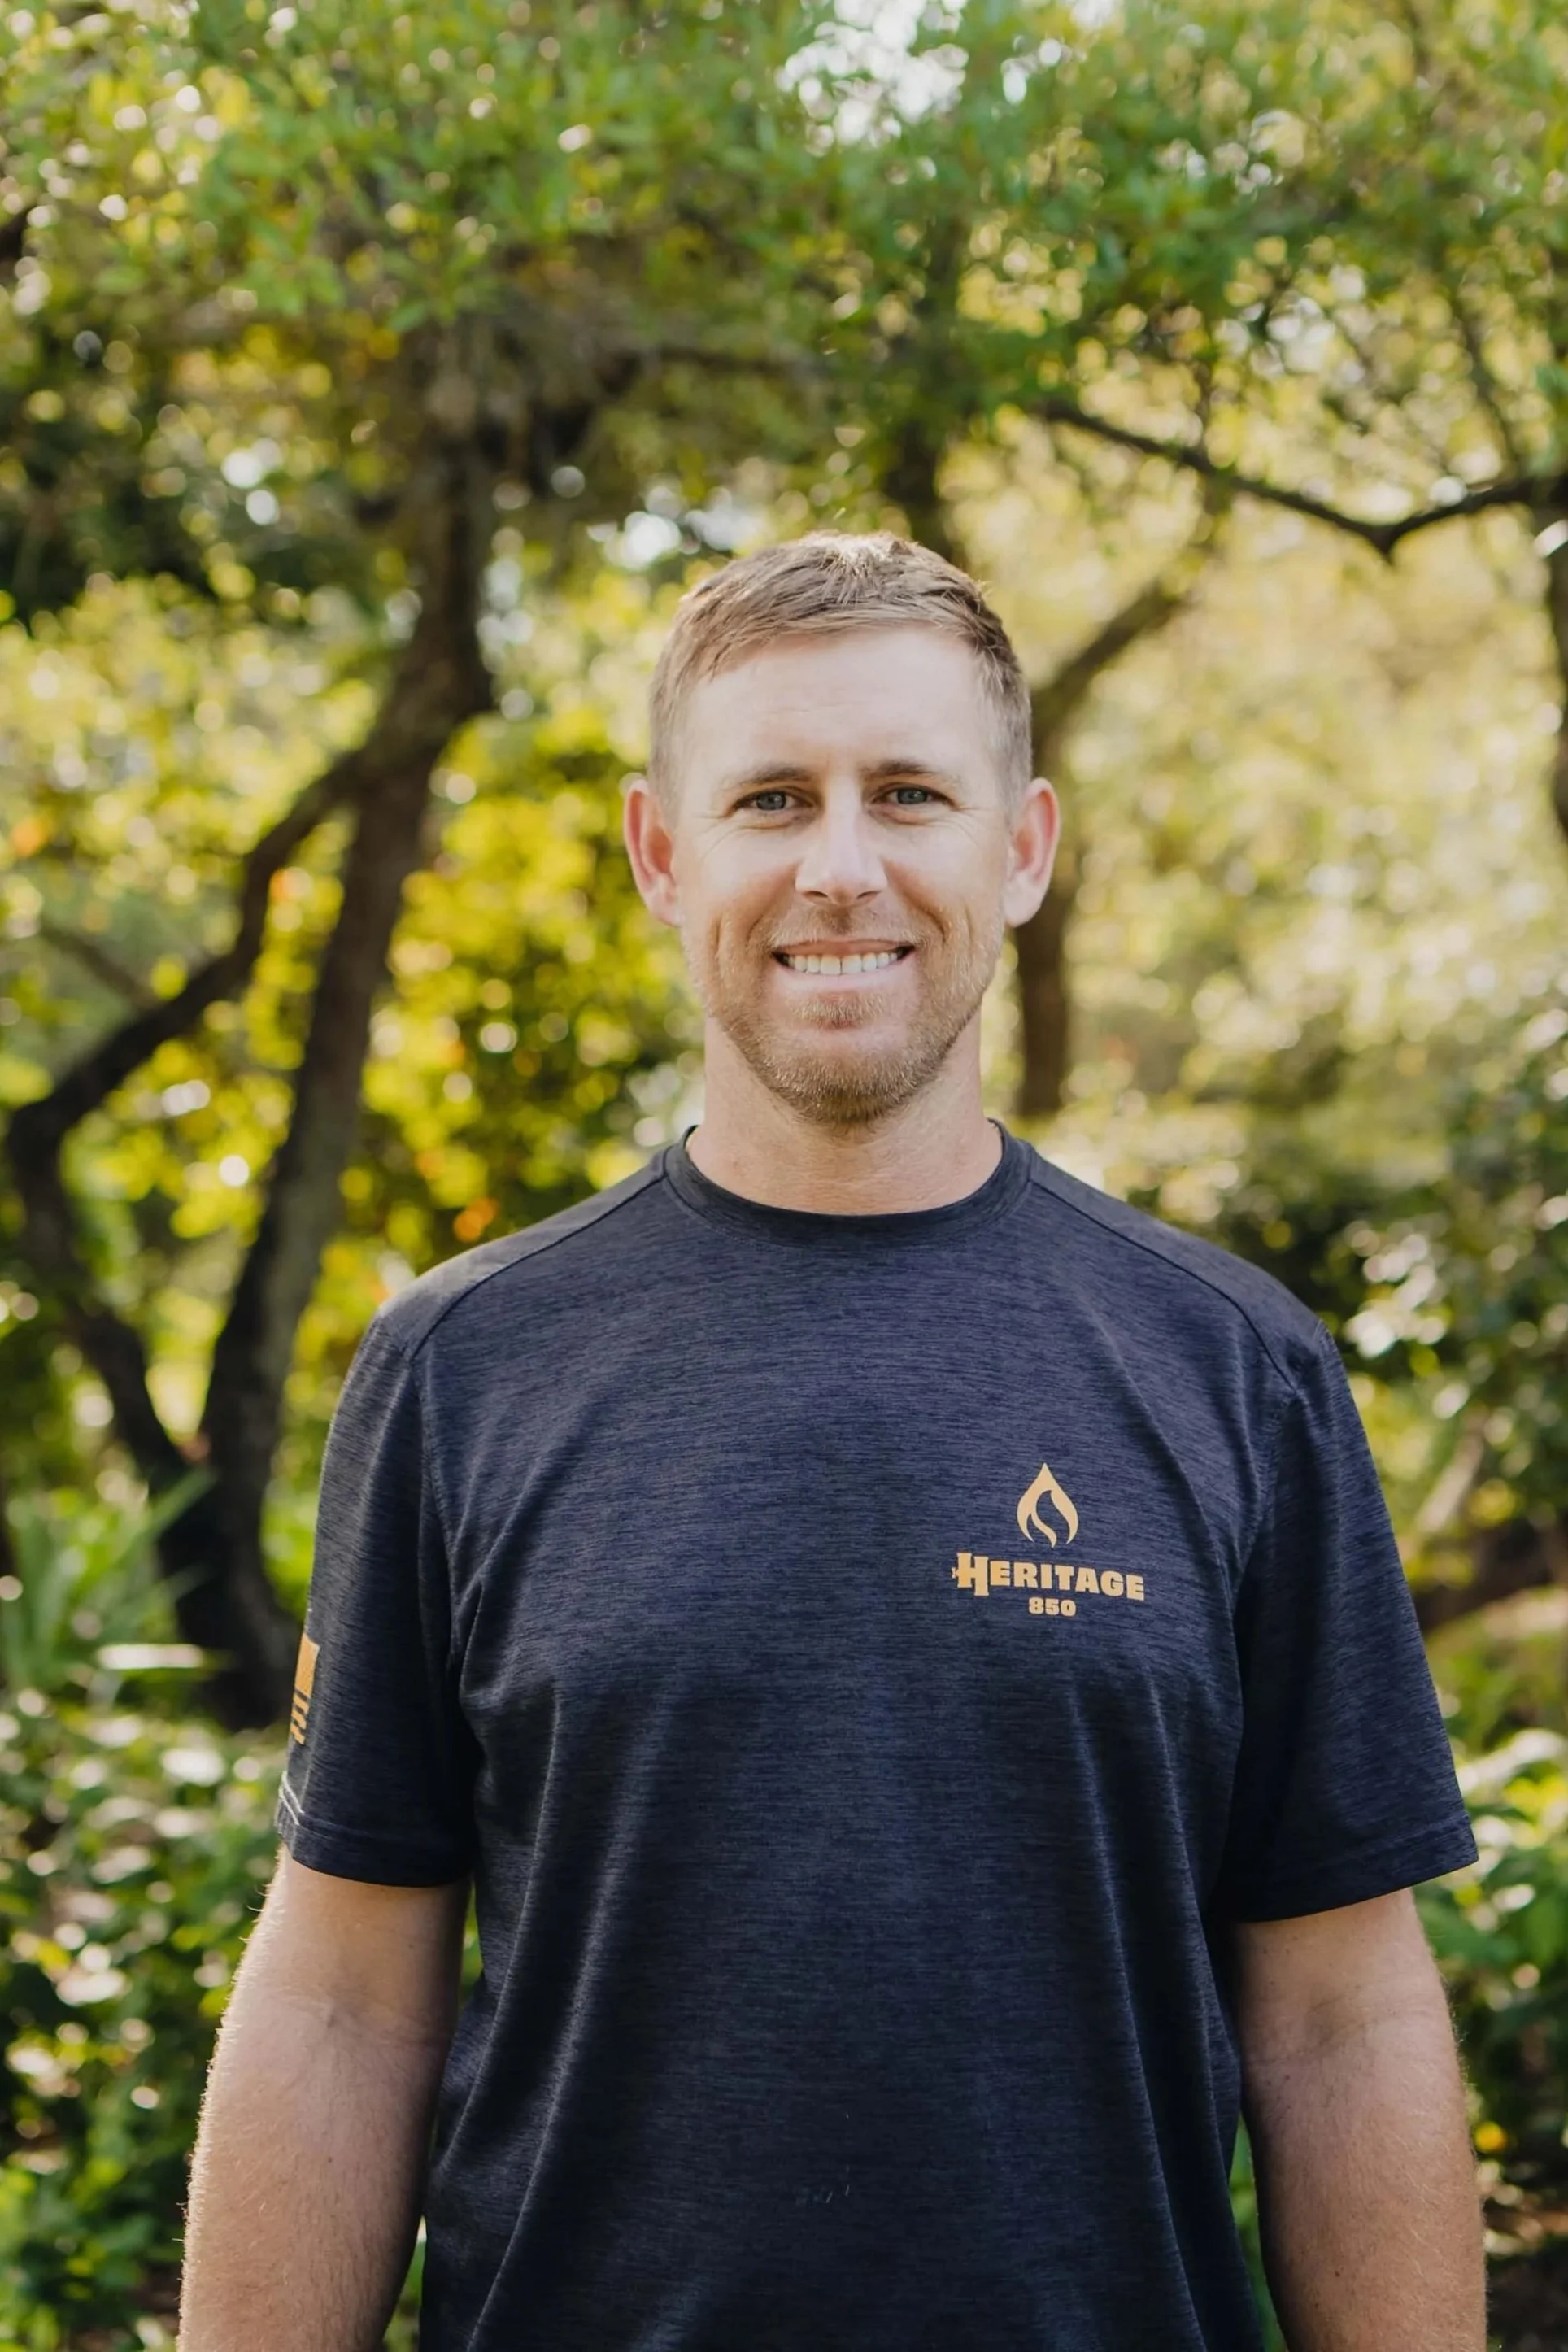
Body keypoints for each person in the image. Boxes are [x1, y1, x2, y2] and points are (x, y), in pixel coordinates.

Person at [179, 533, 1484, 2352]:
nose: (842, 866)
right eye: (773, 797)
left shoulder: (1235, 1371)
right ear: (662, 852)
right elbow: (342, 2002)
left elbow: (1338, 2014)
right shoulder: (463, 1368)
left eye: (912, 793)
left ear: (1019, 850)